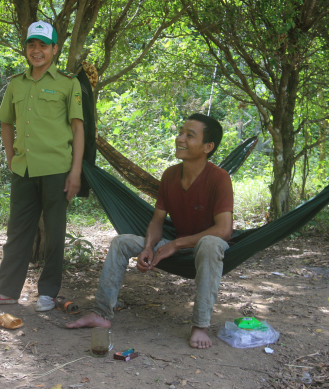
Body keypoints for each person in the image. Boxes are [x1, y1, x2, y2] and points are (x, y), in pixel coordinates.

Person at [66, 114, 233, 349]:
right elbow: (157, 220)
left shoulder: (219, 178)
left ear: (208, 147)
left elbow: (224, 230)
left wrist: (175, 245)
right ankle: (102, 313)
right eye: (181, 132)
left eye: (189, 135)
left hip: (203, 247)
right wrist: (147, 247)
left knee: (210, 243)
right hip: (174, 243)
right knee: (121, 242)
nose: (180, 138)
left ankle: (200, 326)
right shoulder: (170, 175)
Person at [0, 21, 85, 312]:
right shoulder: (16, 83)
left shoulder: (68, 83)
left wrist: (75, 172)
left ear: (54, 49)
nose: (37, 50)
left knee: (55, 234)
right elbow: (6, 122)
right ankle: (6, 291)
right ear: (26, 48)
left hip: (57, 169)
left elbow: (78, 129)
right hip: (23, 170)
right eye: (31, 44)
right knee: (17, 232)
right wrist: (11, 158)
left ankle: (48, 293)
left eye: (43, 45)